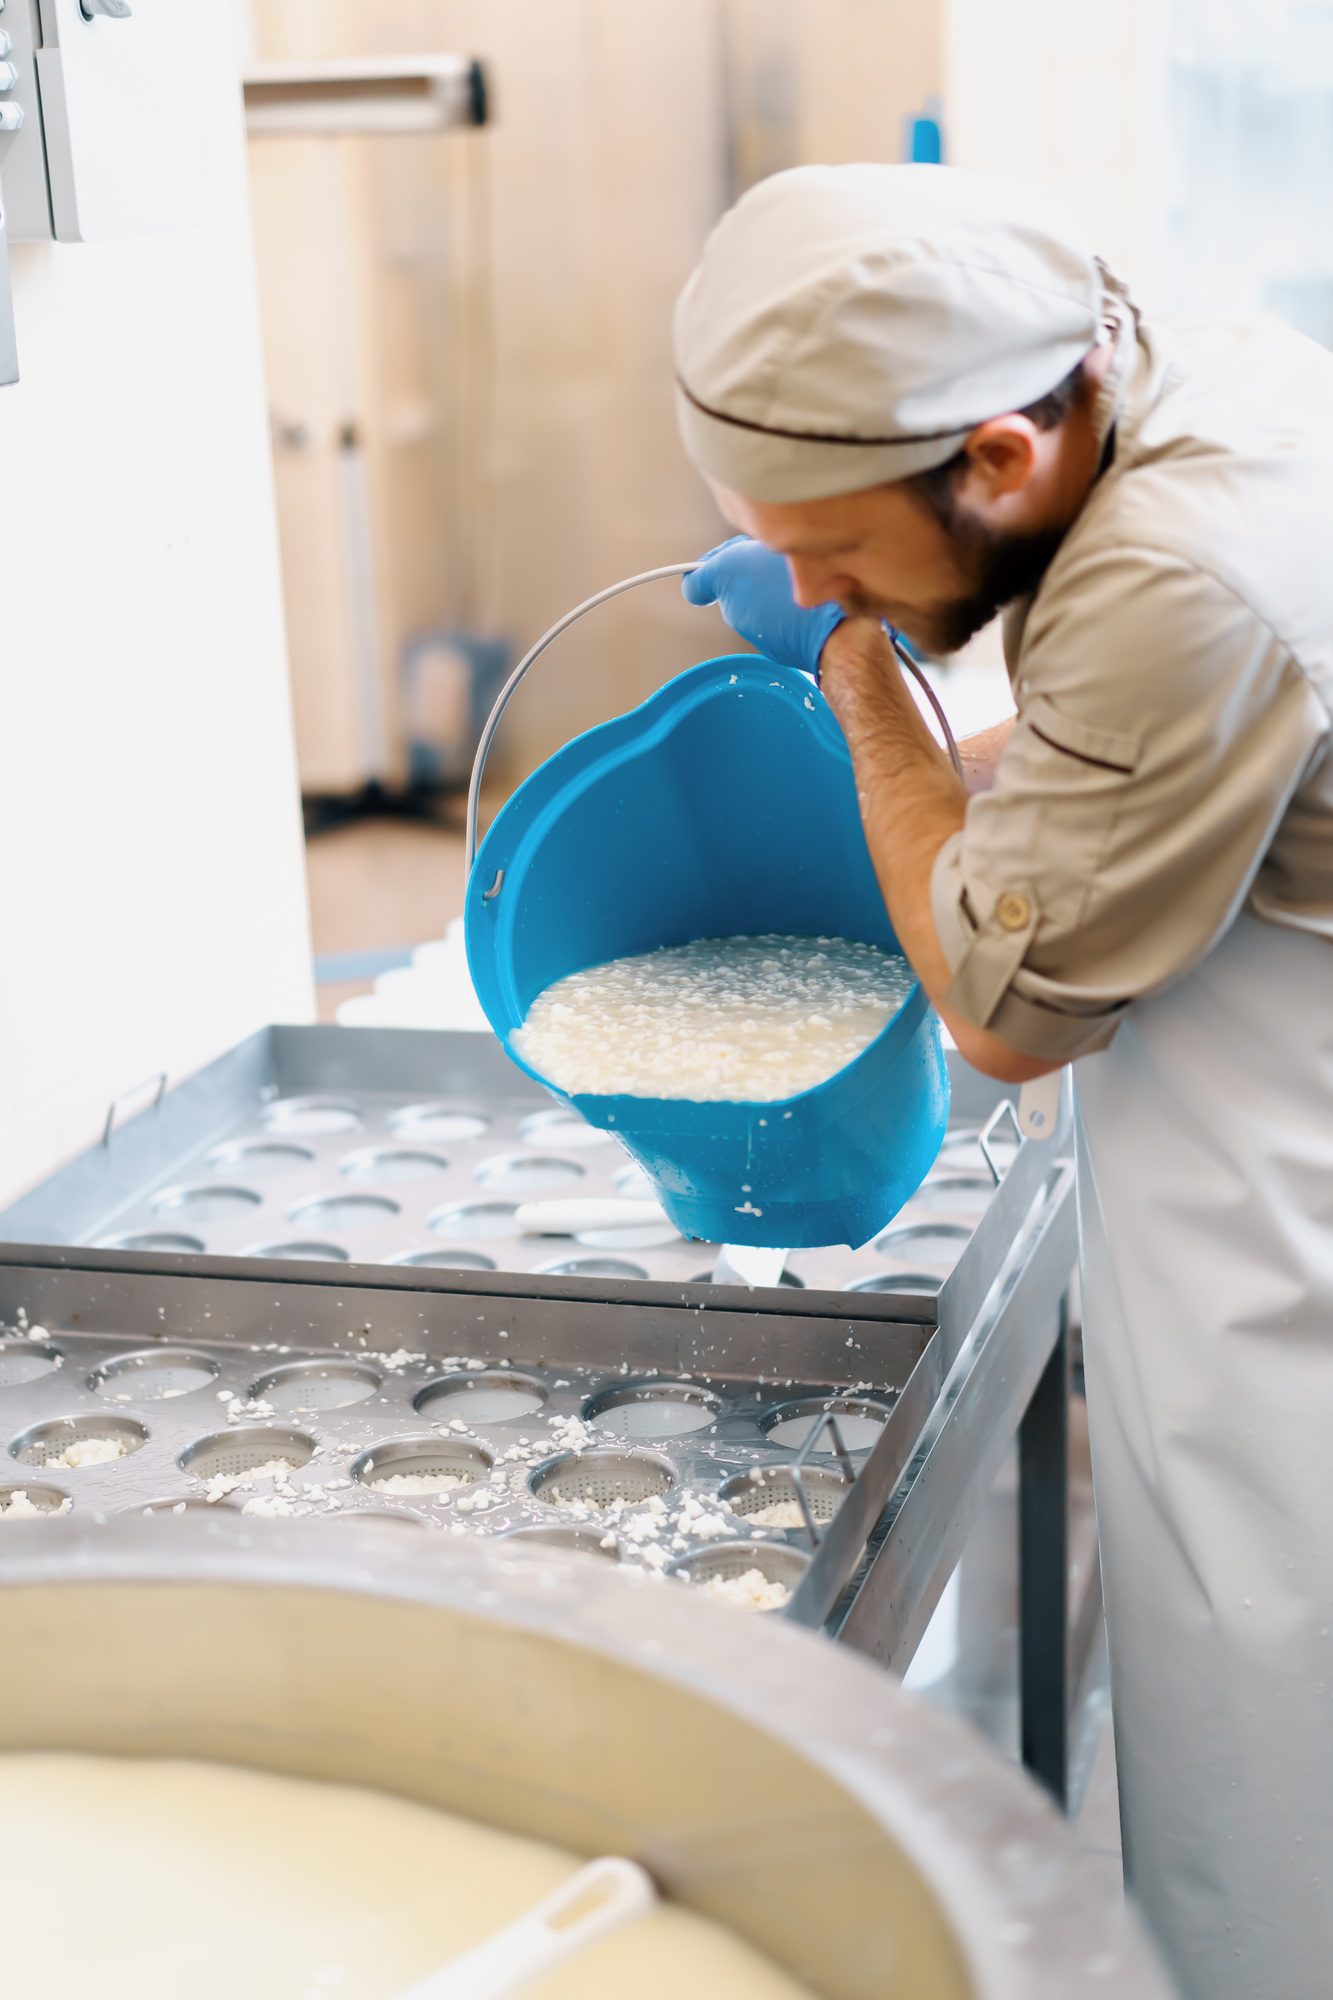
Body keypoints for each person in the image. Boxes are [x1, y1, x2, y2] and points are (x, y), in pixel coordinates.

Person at [672, 163, 1333, 2000]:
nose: (810, 583)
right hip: (1249, 1098)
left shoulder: (1181, 572)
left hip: (1294, 1220)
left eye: (841, 547)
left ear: (998, 457)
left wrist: (861, 681)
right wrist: (888, 612)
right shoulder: (1124, 352)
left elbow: (997, 1009)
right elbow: (1115, 732)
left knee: (1289, 1739)